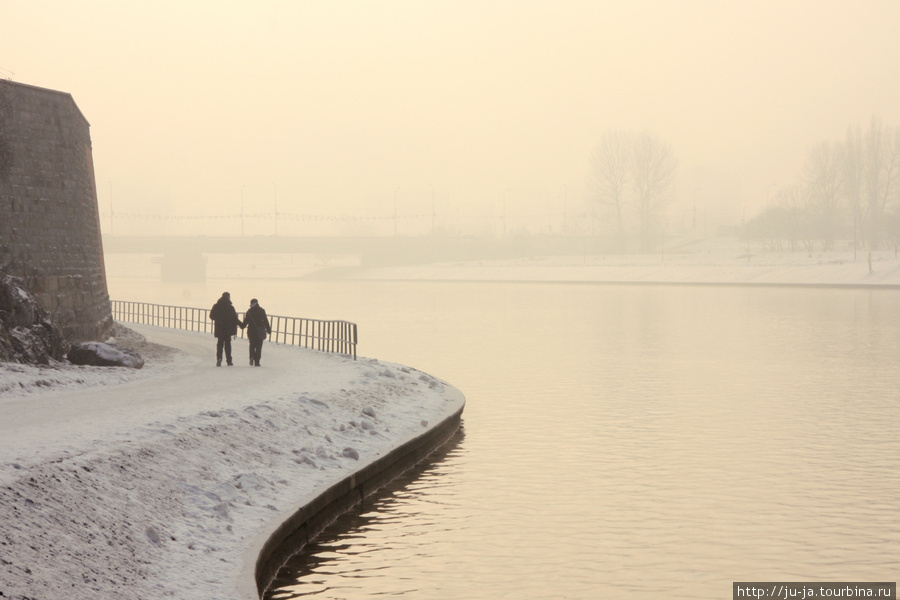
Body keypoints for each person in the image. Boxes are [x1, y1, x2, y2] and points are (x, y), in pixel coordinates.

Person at [209, 291, 243, 366]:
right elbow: (234, 318)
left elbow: (211, 316)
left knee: (219, 344)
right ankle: (229, 361)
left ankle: (219, 358)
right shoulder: (230, 307)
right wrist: (241, 325)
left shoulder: (216, 306)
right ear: (228, 297)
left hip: (219, 328)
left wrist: (218, 319)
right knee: (228, 345)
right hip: (228, 329)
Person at [242, 298, 271, 367]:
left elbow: (245, 322)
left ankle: (251, 357)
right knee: (259, 346)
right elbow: (265, 321)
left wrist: (241, 325)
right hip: (259, 331)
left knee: (252, 345)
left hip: (251, 331)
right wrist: (268, 329)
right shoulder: (261, 311)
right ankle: (257, 362)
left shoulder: (249, 312)